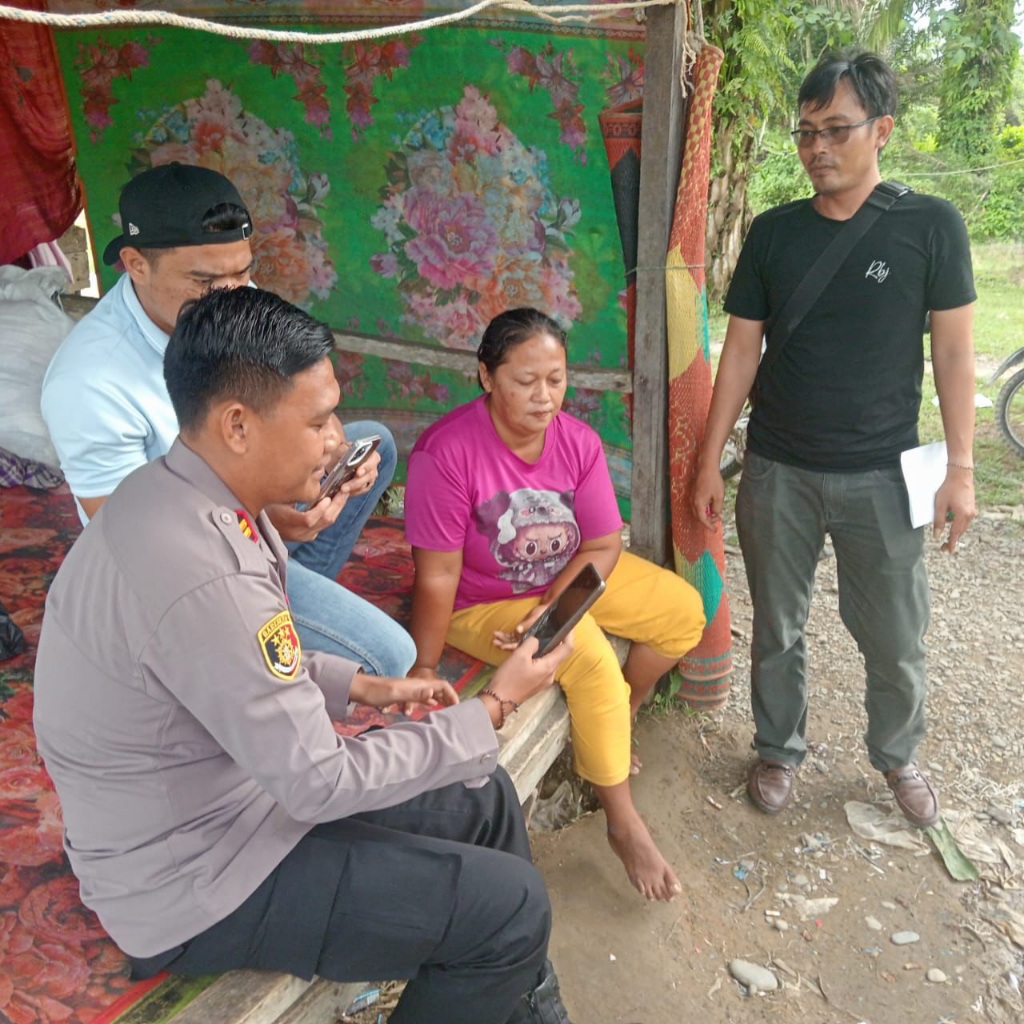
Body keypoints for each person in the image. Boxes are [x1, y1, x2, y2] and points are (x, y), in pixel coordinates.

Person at [33, 286, 578, 1024]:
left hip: (232, 799)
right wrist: (495, 705)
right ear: (237, 425)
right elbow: (317, 783)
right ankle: (510, 975)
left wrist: (362, 685)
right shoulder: (203, 568)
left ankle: (519, 1001)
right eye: (318, 420)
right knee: (510, 909)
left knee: (481, 799)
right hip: (195, 879)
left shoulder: (183, 497)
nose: (333, 441)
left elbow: (237, 669)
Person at [692, 50, 977, 828]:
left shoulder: (932, 225)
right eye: (806, 132)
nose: (818, 147)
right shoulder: (774, 234)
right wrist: (713, 459)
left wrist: (961, 467)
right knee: (777, 626)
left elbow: (952, 352)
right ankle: (778, 746)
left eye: (837, 129)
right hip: (779, 467)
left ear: (881, 129)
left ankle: (897, 754)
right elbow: (741, 350)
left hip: (886, 474)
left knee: (893, 632)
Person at [40, 161, 415, 677]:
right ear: (135, 263)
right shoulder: (89, 381)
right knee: (389, 657)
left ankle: (274, 604)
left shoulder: (227, 299)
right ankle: (245, 648)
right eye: (206, 279)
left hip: (248, 514)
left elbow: (293, 399)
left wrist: (323, 459)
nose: (235, 293)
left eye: (242, 271)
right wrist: (260, 520)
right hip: (179, 573)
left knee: (373, 444)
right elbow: (132, 536)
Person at [404, 307, 706, 902]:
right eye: (525, 381)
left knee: (682, 610)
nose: (545, 398)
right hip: (483, 599)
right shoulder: (445, 453)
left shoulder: (578, 442)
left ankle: (621, 715)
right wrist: (421, 666)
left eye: (557, 379)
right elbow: (437, 575)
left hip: (562, 576)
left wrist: (554, 602)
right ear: (487, 377)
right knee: (586, 652)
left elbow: (602, 543)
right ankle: (623, 824)